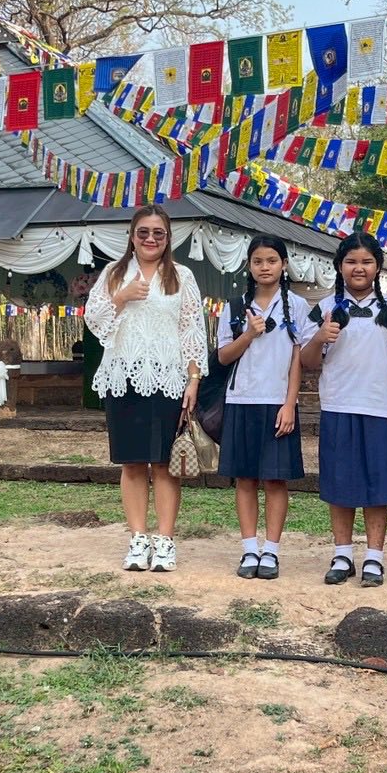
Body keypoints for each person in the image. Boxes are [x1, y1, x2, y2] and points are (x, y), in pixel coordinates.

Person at [85, 204, 207, 574]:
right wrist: (121, 296)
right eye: (143, 232)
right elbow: (93, 320)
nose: (150, 239)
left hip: (169, 380)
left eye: (158, 233)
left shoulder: (181, 276)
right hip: (123, 378)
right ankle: (138, 538)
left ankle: (165, 540)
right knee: (133, 462)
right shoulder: (113, 272)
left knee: (165, 464)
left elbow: (192, 330)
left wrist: (193, 379)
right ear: (132, 236)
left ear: (168, 238)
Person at [301, 232, 387, 588]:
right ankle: (342, 554)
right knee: (340, 482)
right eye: (351, 261)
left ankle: (374, 557)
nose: (358, 268)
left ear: (378, 267)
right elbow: (307, 362)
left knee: (378, 485)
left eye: (366, 261)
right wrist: (320, 337)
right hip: (339, 404)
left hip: (381, 407)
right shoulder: (322, 309)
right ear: (339, 266)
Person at [216, 236, 316, 581]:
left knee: (275, 479)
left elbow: (299, 359)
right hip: (241, 400)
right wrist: (248, 334)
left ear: (284, 265)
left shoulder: (298, 306)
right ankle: (249, 549)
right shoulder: (234, 306)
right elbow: (223, 357)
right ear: (249, 265)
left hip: (278, 402)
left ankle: (271, 550)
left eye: (272, 261)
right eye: (257, 261)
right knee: (245, 478)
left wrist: (290, 404)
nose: (265, 267)